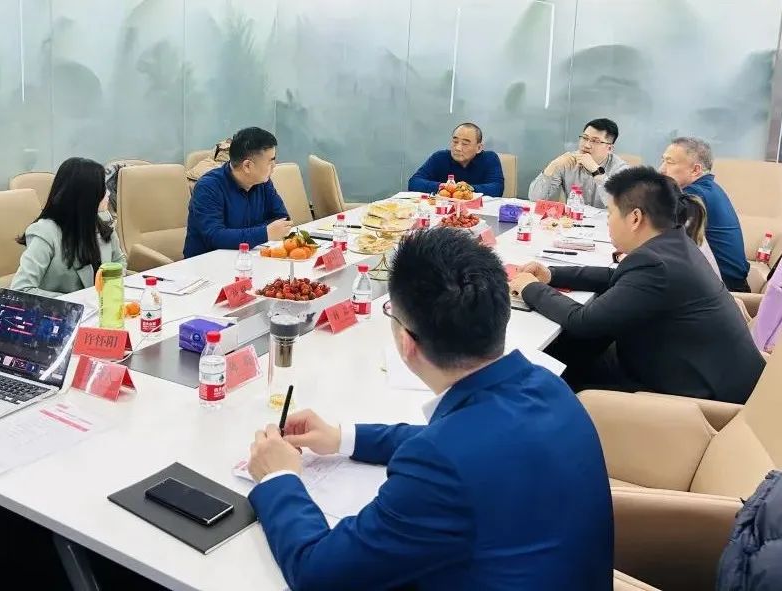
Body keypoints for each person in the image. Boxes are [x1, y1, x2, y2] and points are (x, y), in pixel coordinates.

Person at [247, 227, 613, 590]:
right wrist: (342, 438)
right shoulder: (547, 385)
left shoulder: (440, 464)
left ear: (406, 341)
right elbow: (461, 441)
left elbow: (318, 574)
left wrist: (279, 476)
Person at [511, 167, 764, 403]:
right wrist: (551, 275)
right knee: (574, 348)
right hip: (698, 370)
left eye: (610, 213)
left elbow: (583, 321)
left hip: (695, 398)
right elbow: (616, 278)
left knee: (556, 362)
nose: (608, 221)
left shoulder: (656, 264)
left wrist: (530, 288)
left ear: (635, 218)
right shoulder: (673, 244)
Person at [11, 157, 126, 296]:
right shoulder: (45, 233)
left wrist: (110, 290)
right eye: (102, 188)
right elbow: (21, 289)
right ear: (86, 196)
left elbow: (119, 261)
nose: (108, 193)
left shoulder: (103, 221)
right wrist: (73, 302)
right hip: (61, 309)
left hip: (102, 305)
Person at [183, 127, 291, 258]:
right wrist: (265, 233)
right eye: (270, 161)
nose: (274, 166)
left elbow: (283, 220)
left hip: (249, 257)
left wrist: (240, 235)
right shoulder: (208, 187)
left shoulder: (263, 182)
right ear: (247, 166)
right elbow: (215, 237)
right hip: (206, 263)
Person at [659, 136, 750, 292]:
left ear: (696, 170)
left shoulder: (695, 195)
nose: (661, 169)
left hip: (725, 290)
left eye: (670, 162)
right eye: (663, 160)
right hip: (723, 283)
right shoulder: (709, 188)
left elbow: (663, 238)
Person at [529, 118, 630, 207]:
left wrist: (596, 171)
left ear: (609, 148)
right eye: (585, 138)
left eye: (595, 141)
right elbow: (534, 198)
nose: (586, 145)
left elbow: (621, 205)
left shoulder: (620, 169)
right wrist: (553, 166)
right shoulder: (567, 161)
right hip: (572, 221)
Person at [407, 122, 505, 196]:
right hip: (442, 211)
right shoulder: (439, 157)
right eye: (455, 142)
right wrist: (444, 187)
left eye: (465, 144)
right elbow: (414, 182)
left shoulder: (489, 159)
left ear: (479, 148)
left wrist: (464, 189)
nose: (458, 148)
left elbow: (497, 188)